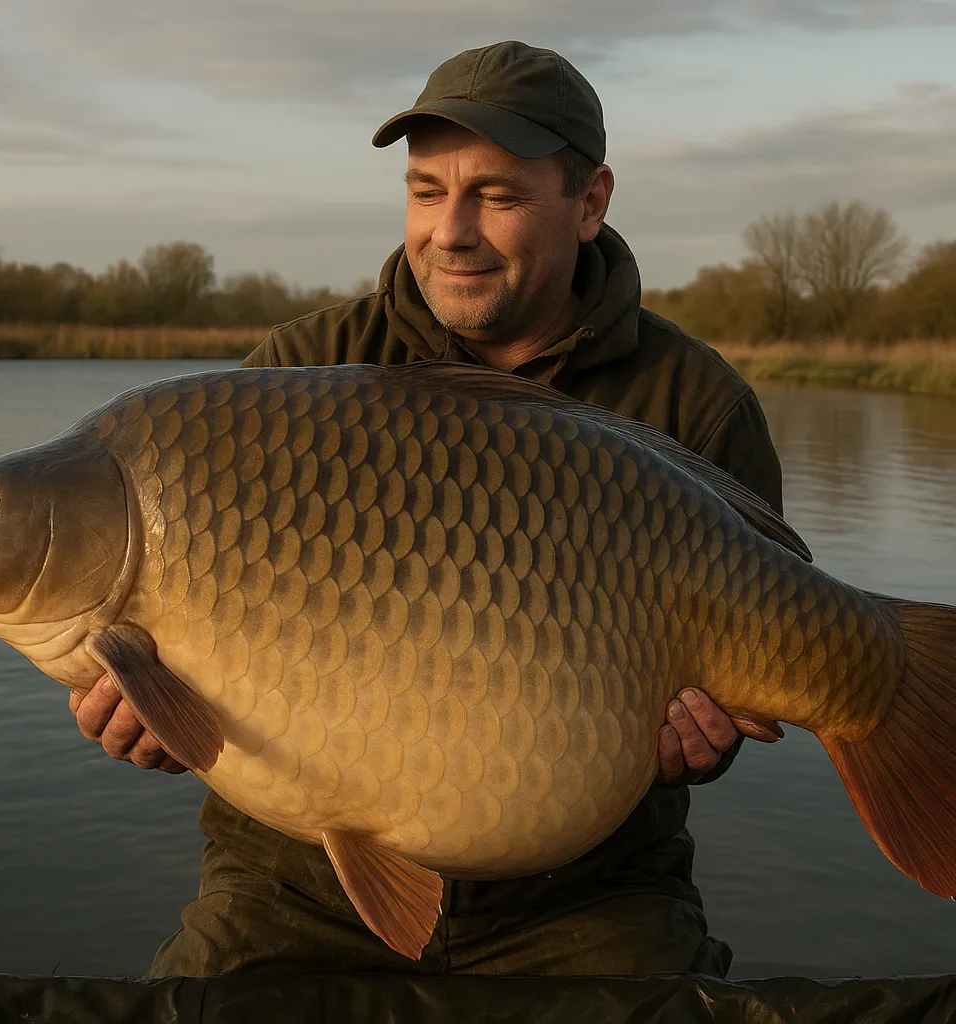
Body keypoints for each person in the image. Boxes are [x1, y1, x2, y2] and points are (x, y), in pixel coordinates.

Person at [70, 40, 785, 978]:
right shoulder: (293, 377)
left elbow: (750, 688)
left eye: (496, 196)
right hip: (295, 885)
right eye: (425, 191)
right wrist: (160, 726)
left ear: (590, 202)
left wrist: (700, 745)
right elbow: (196, 680)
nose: (451, 231)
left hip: (590, 893)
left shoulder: (695, 403)